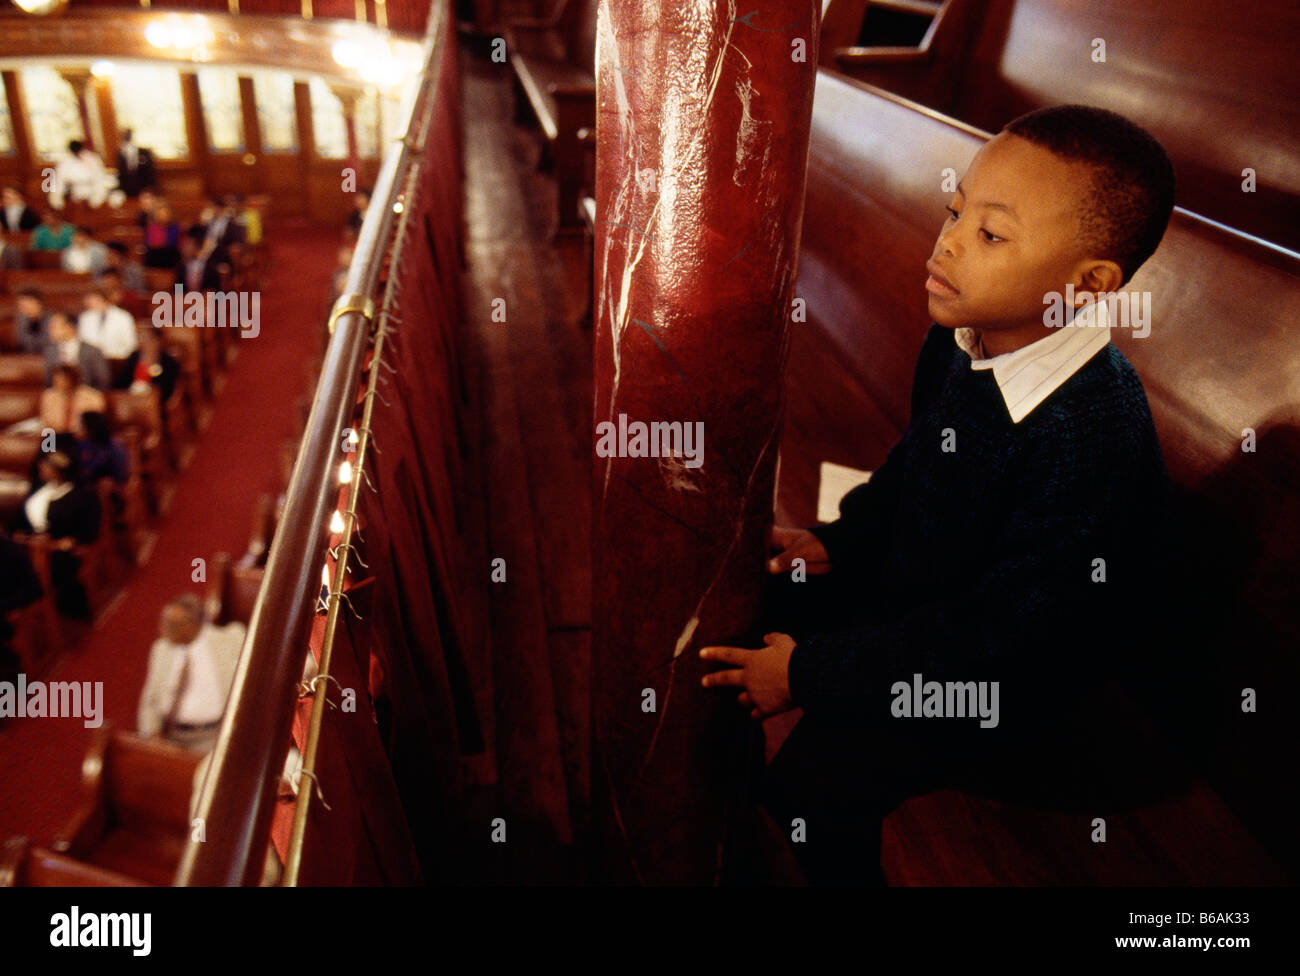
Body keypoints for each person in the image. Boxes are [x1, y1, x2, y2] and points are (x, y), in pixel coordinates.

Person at [699, 105, 1177, 886]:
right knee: (730, 608)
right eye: (955, 211)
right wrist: (839, 541)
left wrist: (812, 674)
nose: (948, 240)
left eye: (991, 235)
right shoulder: (964, 334)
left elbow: (1001, 636)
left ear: (1087, 286)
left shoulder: (1090, 438)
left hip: (1016, 684)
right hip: (933, 608)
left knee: (818, 788)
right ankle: (712, 833)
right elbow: (919, 463)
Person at [137, 594, 245, 754]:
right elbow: (150, 699)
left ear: (195, 624)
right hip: (172, 738)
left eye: (173, 626)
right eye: (163, 622)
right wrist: (151, 735)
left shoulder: (230, 640)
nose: (163, 630)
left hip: (218, 735)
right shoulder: (161, 649)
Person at [9, 449, 100, 619]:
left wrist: (59, 544)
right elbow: (19, 522)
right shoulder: (39, 490)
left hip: (60, 551)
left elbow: (87, 533)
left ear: (58, 472)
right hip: (32, 546)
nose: (41, 469)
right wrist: (21, 536)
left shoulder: (82, 495)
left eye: (46, 467)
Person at [44, 311, 110, 391]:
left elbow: (103, 381)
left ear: (70, 327)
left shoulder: (92, 351)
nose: (50, 331)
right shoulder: (50, 352)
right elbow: (48, 381)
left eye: (54, 327)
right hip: (58, 397)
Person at [117, 326, 180, 405]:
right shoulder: (134, 357)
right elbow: (121, 382)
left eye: (148, 339)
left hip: (155, 402)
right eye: (141, 338)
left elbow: (167, 390)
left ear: (158, 341)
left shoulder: (168, 362)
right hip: (131, 399)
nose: (144, 342)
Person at [40, 364, 106, 437]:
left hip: (80, 438)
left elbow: (93, 425)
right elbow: (47, 421)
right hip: (55, 435)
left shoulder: (93, 397)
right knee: (46, 445)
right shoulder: (49, 396)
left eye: (61, 380)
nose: (57, 383)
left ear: (73, 380)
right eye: (55, 380)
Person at [78, 287, 139, 361]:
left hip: (118, 359)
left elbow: (131, 343)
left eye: (92, 300)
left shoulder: (124, 317)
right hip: (93, 360)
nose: (88, 303)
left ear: (102, 299)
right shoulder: (85, 318)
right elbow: (83, 341)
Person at [50, 139, 110, 210]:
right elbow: (58, 183)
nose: (77, 154)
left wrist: (97, 198)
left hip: (95, 193)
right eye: (75, 152)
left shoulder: (93, 159)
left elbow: (99, 179)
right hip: (76, 197)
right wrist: (56, 201)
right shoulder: (64, 163)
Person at [114, 128, 156, 198]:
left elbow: (150, 173)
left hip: (144, 190)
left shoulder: (144, 152)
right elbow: (121, 174)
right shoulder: (120, 154)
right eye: (125, 136)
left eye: (129, 135)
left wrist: (150, 190)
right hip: (127, 192)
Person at [142, 201, 182, 269]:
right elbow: (149, 245)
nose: (162, 215)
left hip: (170, 258)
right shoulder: (151, 228)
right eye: (160, 213)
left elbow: (176, 245)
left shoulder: (175, 228)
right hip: (154, 258)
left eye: (165, 212)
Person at [14, 288, 51, 354]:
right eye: (20, 305)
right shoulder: (21, 320)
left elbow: (49, 343)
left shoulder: (52, 319)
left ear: (38, 303)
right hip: (27, 357)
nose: (22, 308)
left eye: (26, 305)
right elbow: (21, 342)